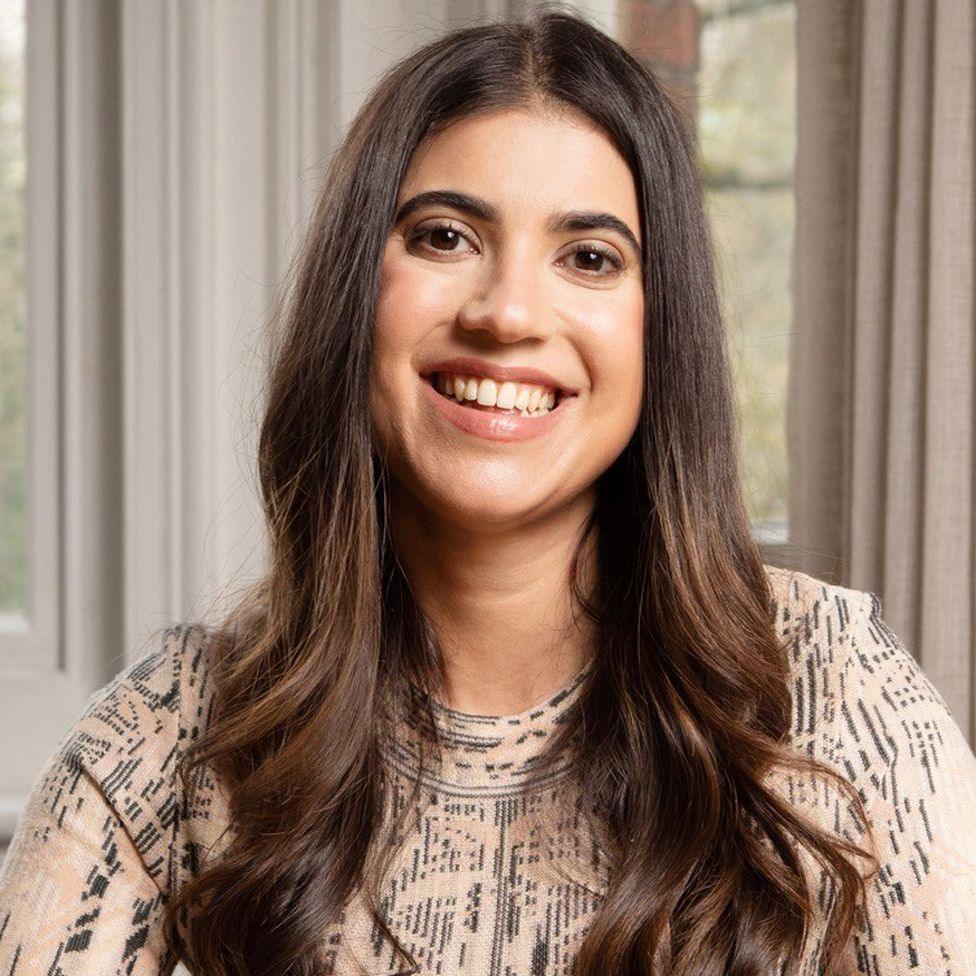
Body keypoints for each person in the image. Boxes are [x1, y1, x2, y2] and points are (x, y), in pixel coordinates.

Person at [2, 6, 976, 975]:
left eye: (589, 258)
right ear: (357, 293)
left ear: (659, 332)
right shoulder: (166, 741)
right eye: (443, 236)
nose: (506, 312)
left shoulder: (835, 697)